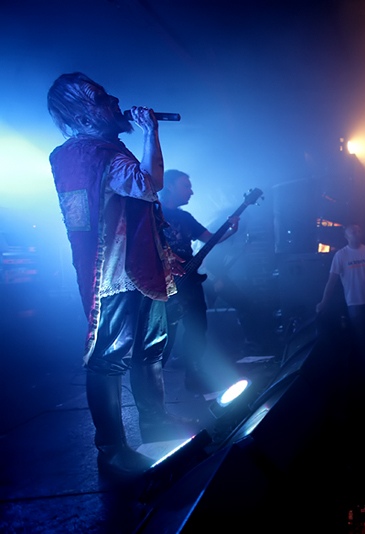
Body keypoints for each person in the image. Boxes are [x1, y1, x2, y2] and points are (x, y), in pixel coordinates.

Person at [47, 72, 196, 478]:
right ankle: (111, 446)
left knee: (150, 350)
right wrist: (150, 131)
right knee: (109, 357)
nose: (114, 101)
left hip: (142, 267)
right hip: (112, 272)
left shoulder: (102, 150)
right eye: (100, 97)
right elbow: (149, 185)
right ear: (82, 111)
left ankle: (156, 425)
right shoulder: (91, 154)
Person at [158, 169, 239, 393]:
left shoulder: (185, 218)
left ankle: (193, 376)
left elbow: (210, 239)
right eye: (186, 186)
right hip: (166, 283)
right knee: (166, 334)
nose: (191, 191)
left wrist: (231, 229)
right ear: (171, 186)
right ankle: (152, 383)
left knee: (197, 329)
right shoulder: (153, 213)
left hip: (190, 281)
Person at [317, 224, 365, 383]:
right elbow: (331, 282)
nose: (357, 233)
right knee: (362, 340)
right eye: (353, 232)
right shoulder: (341, 256)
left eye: (359, 230)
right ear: (346, 236)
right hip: (354, 304)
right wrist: (323, 302)